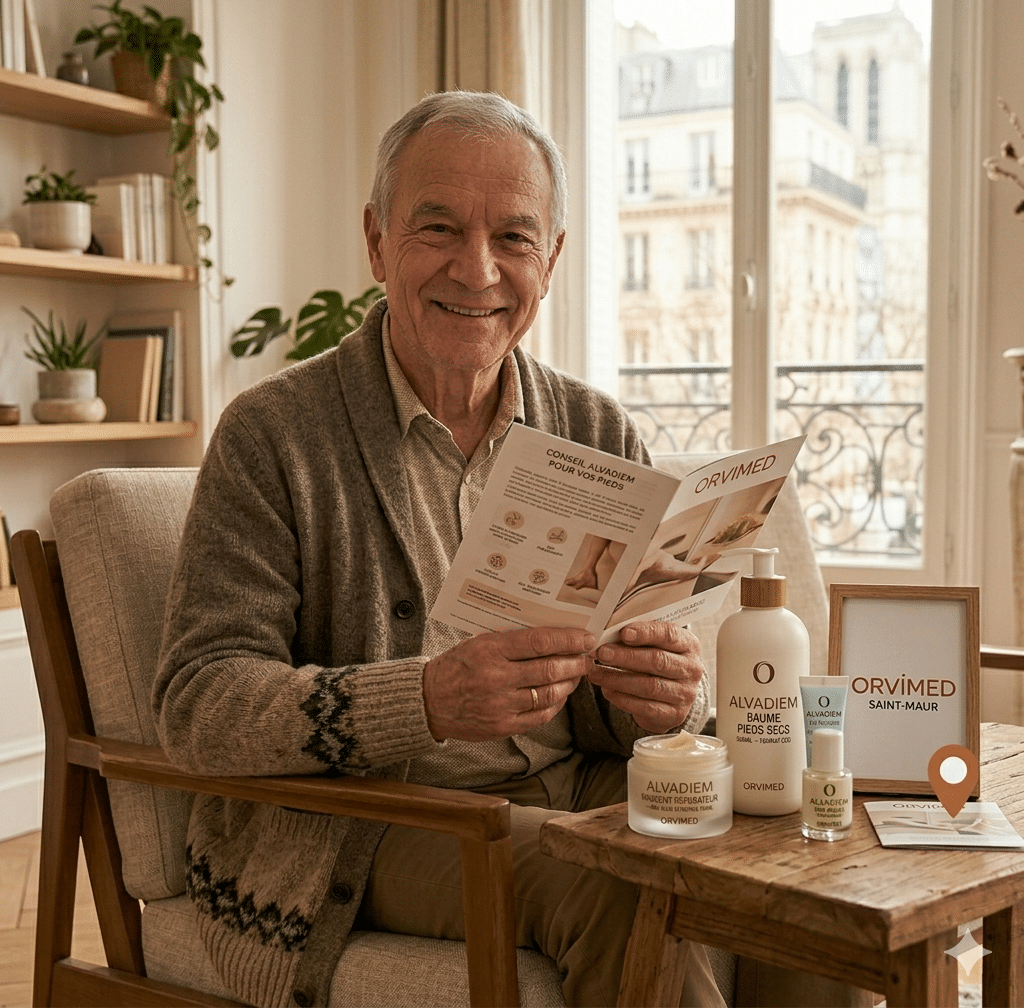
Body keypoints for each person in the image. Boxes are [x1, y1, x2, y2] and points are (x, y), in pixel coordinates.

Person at [154, 91, 863, 1008]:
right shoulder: (273, 435)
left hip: (578, 784)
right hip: (371, 821)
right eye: (437, 226)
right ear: (377, 242)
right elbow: (197, 701)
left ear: (552, 258)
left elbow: (619, 710)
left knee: (786, 867)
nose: (477, 269)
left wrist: (657, 698)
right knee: (627, 885)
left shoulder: (596, 427)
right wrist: (426, 699)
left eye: (515, 239)